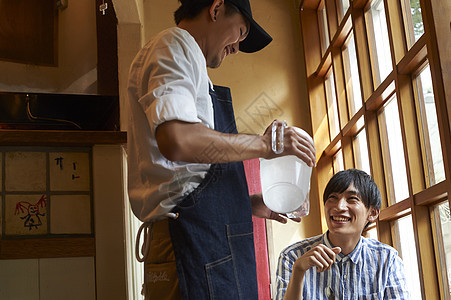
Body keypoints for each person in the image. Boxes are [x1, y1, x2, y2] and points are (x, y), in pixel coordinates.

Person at [126, 0, 316, 299]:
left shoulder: (192, 65)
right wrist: (267, 145)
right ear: (216, 8)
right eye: (240, 33)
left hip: (204, 235)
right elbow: (178, 140)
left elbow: (189, 172)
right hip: (189, 238)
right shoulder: (174, 45)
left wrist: (245, 202)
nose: (237, 48)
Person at [275, 169, 410, 300]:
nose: (339, 207)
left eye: (352, 199)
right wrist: (298, 271)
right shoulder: (292, 256)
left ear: (372, 213)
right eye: (333, 197)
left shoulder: (387, 260)